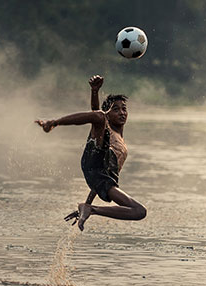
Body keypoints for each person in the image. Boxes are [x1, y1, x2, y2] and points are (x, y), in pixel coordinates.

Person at [35, 75, 146, 231]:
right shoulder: (105, 128)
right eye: (116, 109)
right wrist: (95, 92)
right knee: (98, 117)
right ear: (109, 114)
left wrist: (87, 204)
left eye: (124, 109)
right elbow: (96, 113)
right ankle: (52, 123)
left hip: (102, 175)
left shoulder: (122, 144)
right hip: (94, 158)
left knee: (139, 211)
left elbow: (100, 181)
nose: (122, 112)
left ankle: (90, 209)